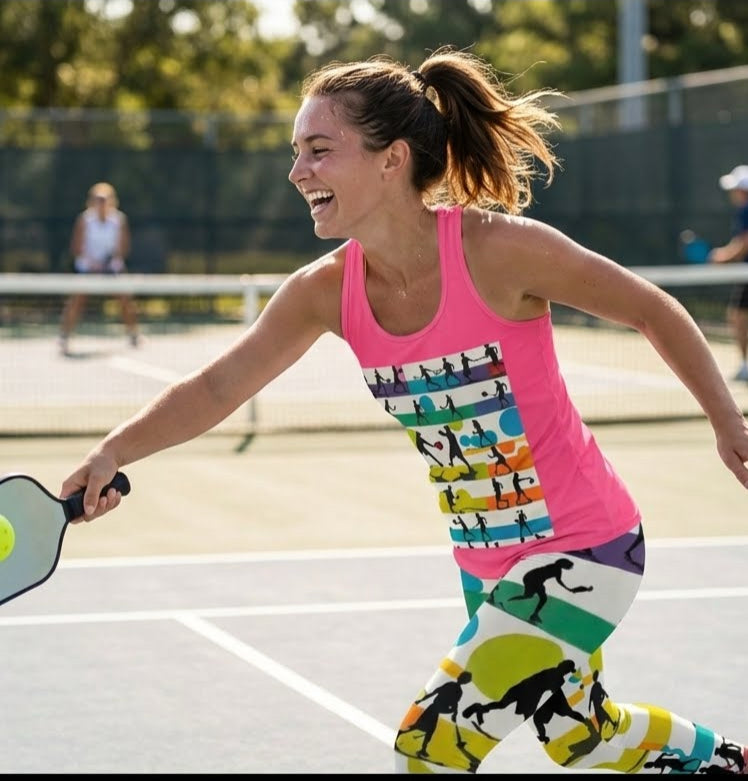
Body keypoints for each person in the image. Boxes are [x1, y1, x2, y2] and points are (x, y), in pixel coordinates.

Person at [60, 47, 748, 774]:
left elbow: (652, 308)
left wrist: (726, 419)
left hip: (587, 547)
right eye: (296, 153)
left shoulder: (499, 252)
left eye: (320, 151)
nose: (299, 172)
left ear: (391, 160)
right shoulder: (324, 291)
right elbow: (215, 388)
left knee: (427, 750)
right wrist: (115, 450)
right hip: (484, 564)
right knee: (584, 736)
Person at [58, 181, 141, 356]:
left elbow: (123, 248)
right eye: (98, 200)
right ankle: (64, 335)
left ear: (112, 201)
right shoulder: (84, 220)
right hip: (87, 268)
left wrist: (109, 261)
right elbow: (76, 248)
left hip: (111, 268)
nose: (101, 203)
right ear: (91, 202)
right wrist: (93, 264)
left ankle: (134, 334)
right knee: (77, 299)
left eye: (105, 199)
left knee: (125, 298)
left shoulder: (119, 220)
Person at [708, 165, 748, 380]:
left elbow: (744, 242)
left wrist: (723, 256)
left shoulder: (745, 209)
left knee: (738, 316)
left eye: (735, 188)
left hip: (746, 274)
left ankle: (746, 365)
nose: (732, 193)